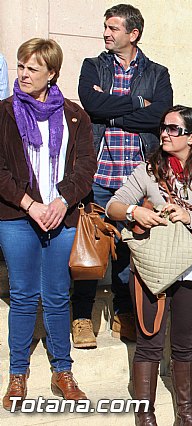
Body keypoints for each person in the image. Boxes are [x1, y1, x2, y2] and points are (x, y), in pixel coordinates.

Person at [106, 105, 192, 426]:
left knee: (185, 345)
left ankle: (185, 413)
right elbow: (113, 205)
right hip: (154, 269)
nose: (164, 133)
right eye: (163, 127)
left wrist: (190, 217)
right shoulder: (149, 171)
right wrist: (135, 212)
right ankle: (145, 415)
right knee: (149, 344)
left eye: (173, 129)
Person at [0, 38, 97, 410]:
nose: (24, 74)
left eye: (33, 68)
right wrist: (30, 204)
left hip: (61, 215)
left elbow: (86, 167)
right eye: (21, 66)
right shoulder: (4, 113)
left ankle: (63, 371)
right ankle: (18, 374)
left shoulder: (75, 115)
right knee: (24, 295)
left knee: (57, 295)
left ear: (52, 73)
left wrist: (61, 202)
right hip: (17, 216)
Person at [75, 3, 173, 348]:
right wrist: (136, 103)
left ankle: (123, 313)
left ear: (133, 34)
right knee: (91, 246)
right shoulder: (93, 66)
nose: (106, 33)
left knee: (128, 249)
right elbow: (91, 105)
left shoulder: (158, 73)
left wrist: (112, 111)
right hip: (100, 174)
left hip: (137, 178)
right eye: (105, 26)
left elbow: (159, 115)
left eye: (113, 28)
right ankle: (82, 317)